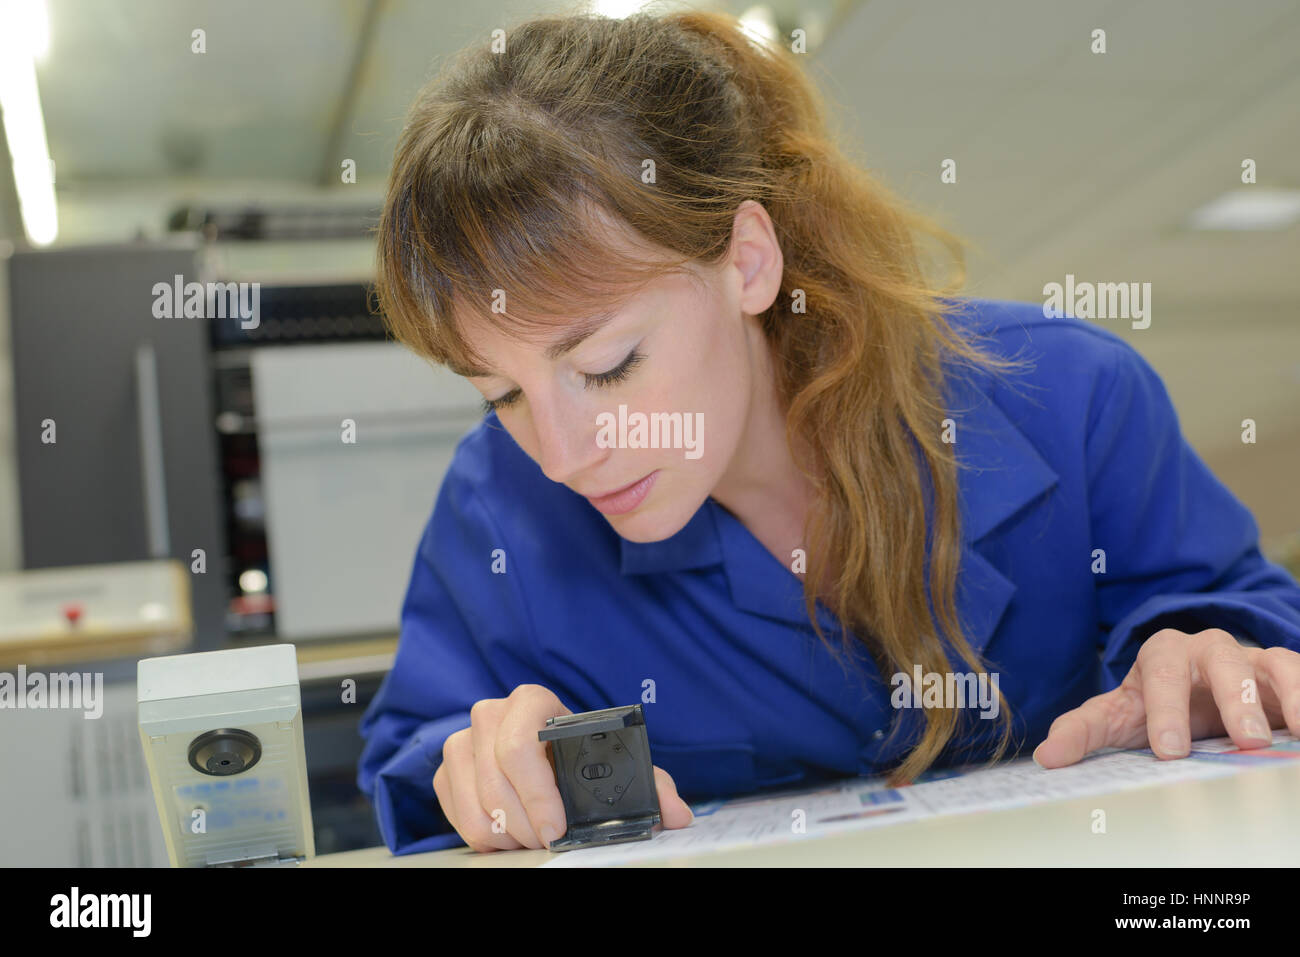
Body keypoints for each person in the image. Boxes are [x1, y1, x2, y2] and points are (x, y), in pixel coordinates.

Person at [357, 9, 1300, 855]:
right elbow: (418, 761)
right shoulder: (496, 514)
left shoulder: (1071, 395)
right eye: (500, 395)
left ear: (749, 263)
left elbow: (1232, 613)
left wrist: (1219, 655)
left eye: (607, 366)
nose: (562, 456)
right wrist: (478, 769)